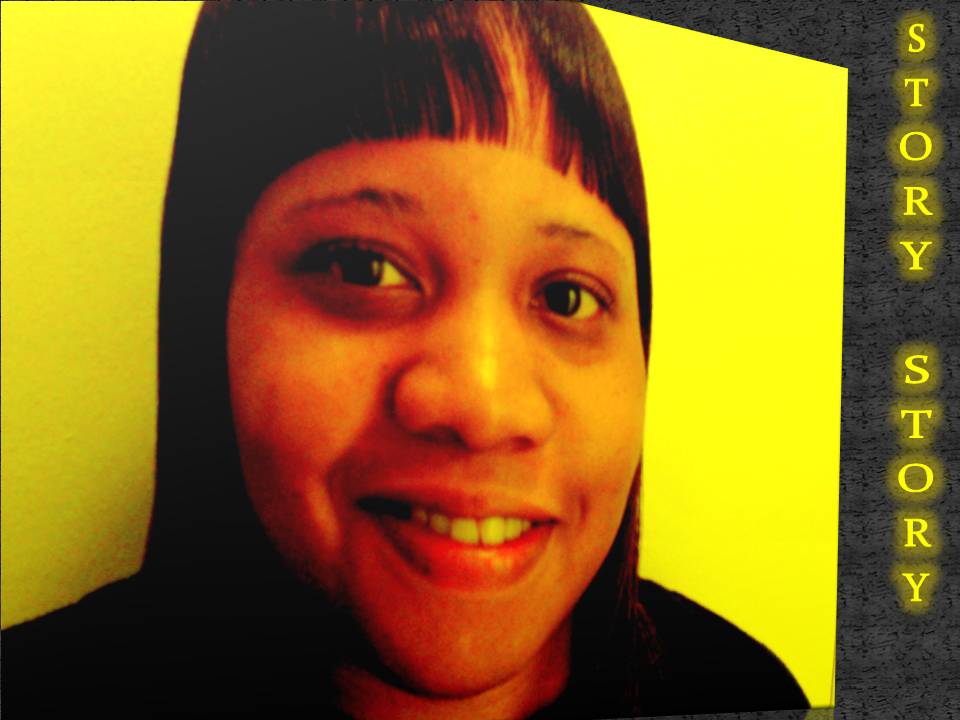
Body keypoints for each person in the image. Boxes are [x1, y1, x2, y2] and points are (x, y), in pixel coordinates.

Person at [2, 3, 809, 718]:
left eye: (567, 296)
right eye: (363, 267)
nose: (483, 406)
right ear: (207, 307)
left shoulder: (741, 688)